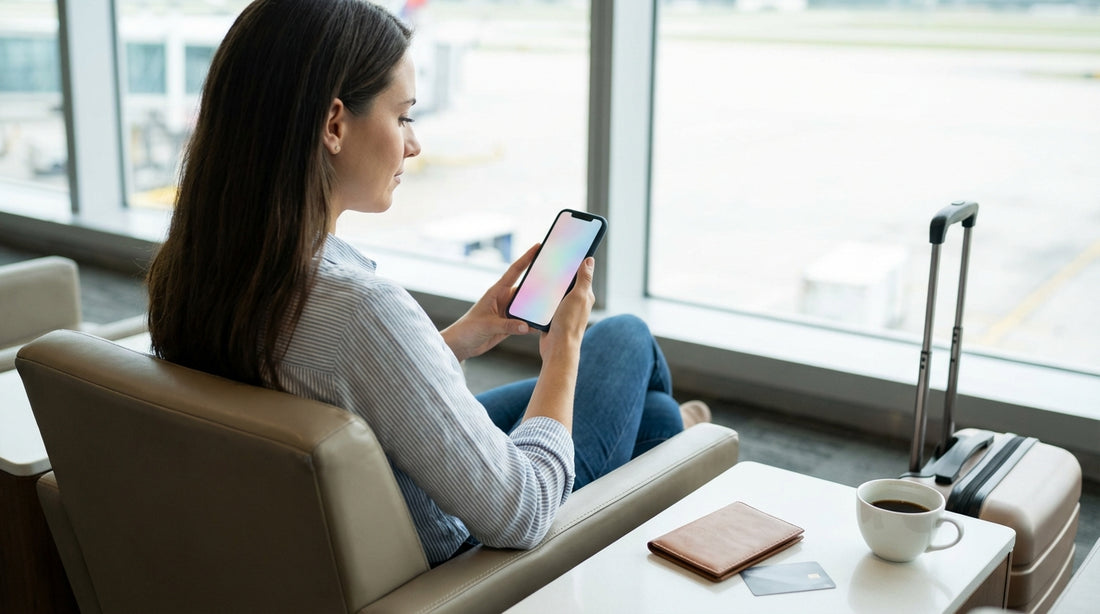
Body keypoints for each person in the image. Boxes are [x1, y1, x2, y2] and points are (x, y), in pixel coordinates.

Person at [146, 0, 709, 567]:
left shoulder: (195, 270)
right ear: (334, 125)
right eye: (403, 117)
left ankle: (662, 431)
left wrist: (461, 337)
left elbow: (327, 385)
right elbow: (524, 511)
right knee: (627, 340)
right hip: (462, 556)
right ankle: (671, 439)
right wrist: (563, 343)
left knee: (653, 411)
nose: (414, 145)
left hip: (331, 525)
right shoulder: (361, 310)